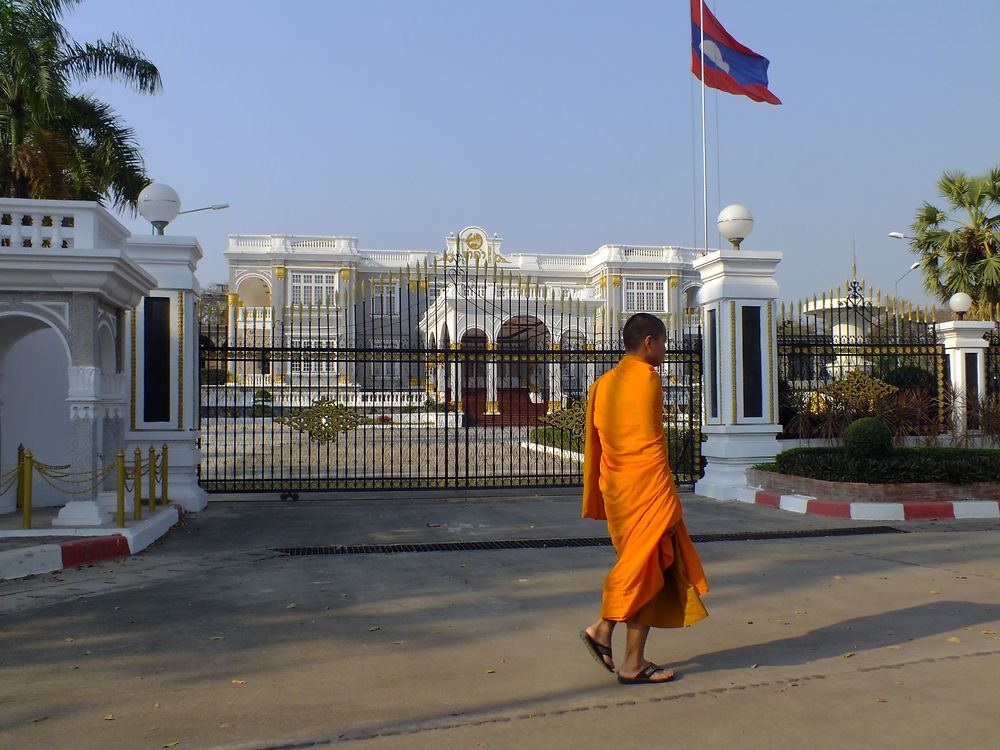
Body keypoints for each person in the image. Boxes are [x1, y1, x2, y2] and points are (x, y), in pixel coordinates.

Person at [578, 312, 709, 684]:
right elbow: (651, 444)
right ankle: (602, 628)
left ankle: (632, 662)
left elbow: (597, 446)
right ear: (649, 342)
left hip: (619, 492)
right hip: (646, 491)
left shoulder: (601, 385)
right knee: (640, 568)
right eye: (664, 342)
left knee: (650, 571)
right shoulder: (647, 380)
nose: (666, 350)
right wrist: (666, 496)